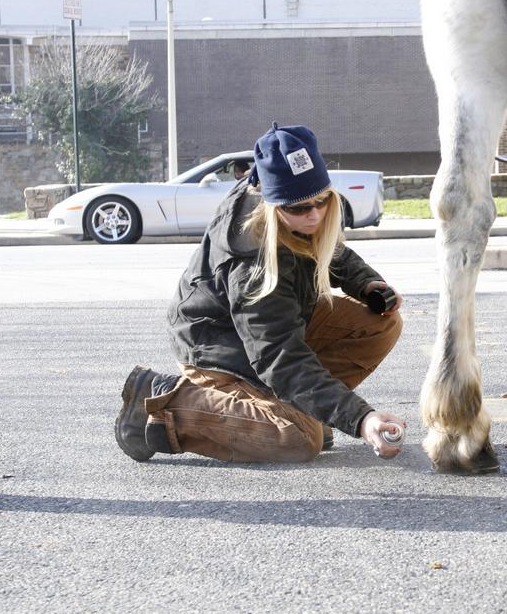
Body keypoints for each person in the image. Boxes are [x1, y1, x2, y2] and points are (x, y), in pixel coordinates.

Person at [114, 123, 405, 463]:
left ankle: (301, 408)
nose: (313, 214)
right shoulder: (253, 263)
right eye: (297, 208)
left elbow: (324, 246)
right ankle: (164, 405)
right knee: (297, 440)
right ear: (270, 203)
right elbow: (280, 358)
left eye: (322, 200)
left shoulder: (282, 197)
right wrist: (360, 418)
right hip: (218, 348)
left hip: (276, 326)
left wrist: (366, 283)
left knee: (381, 324)